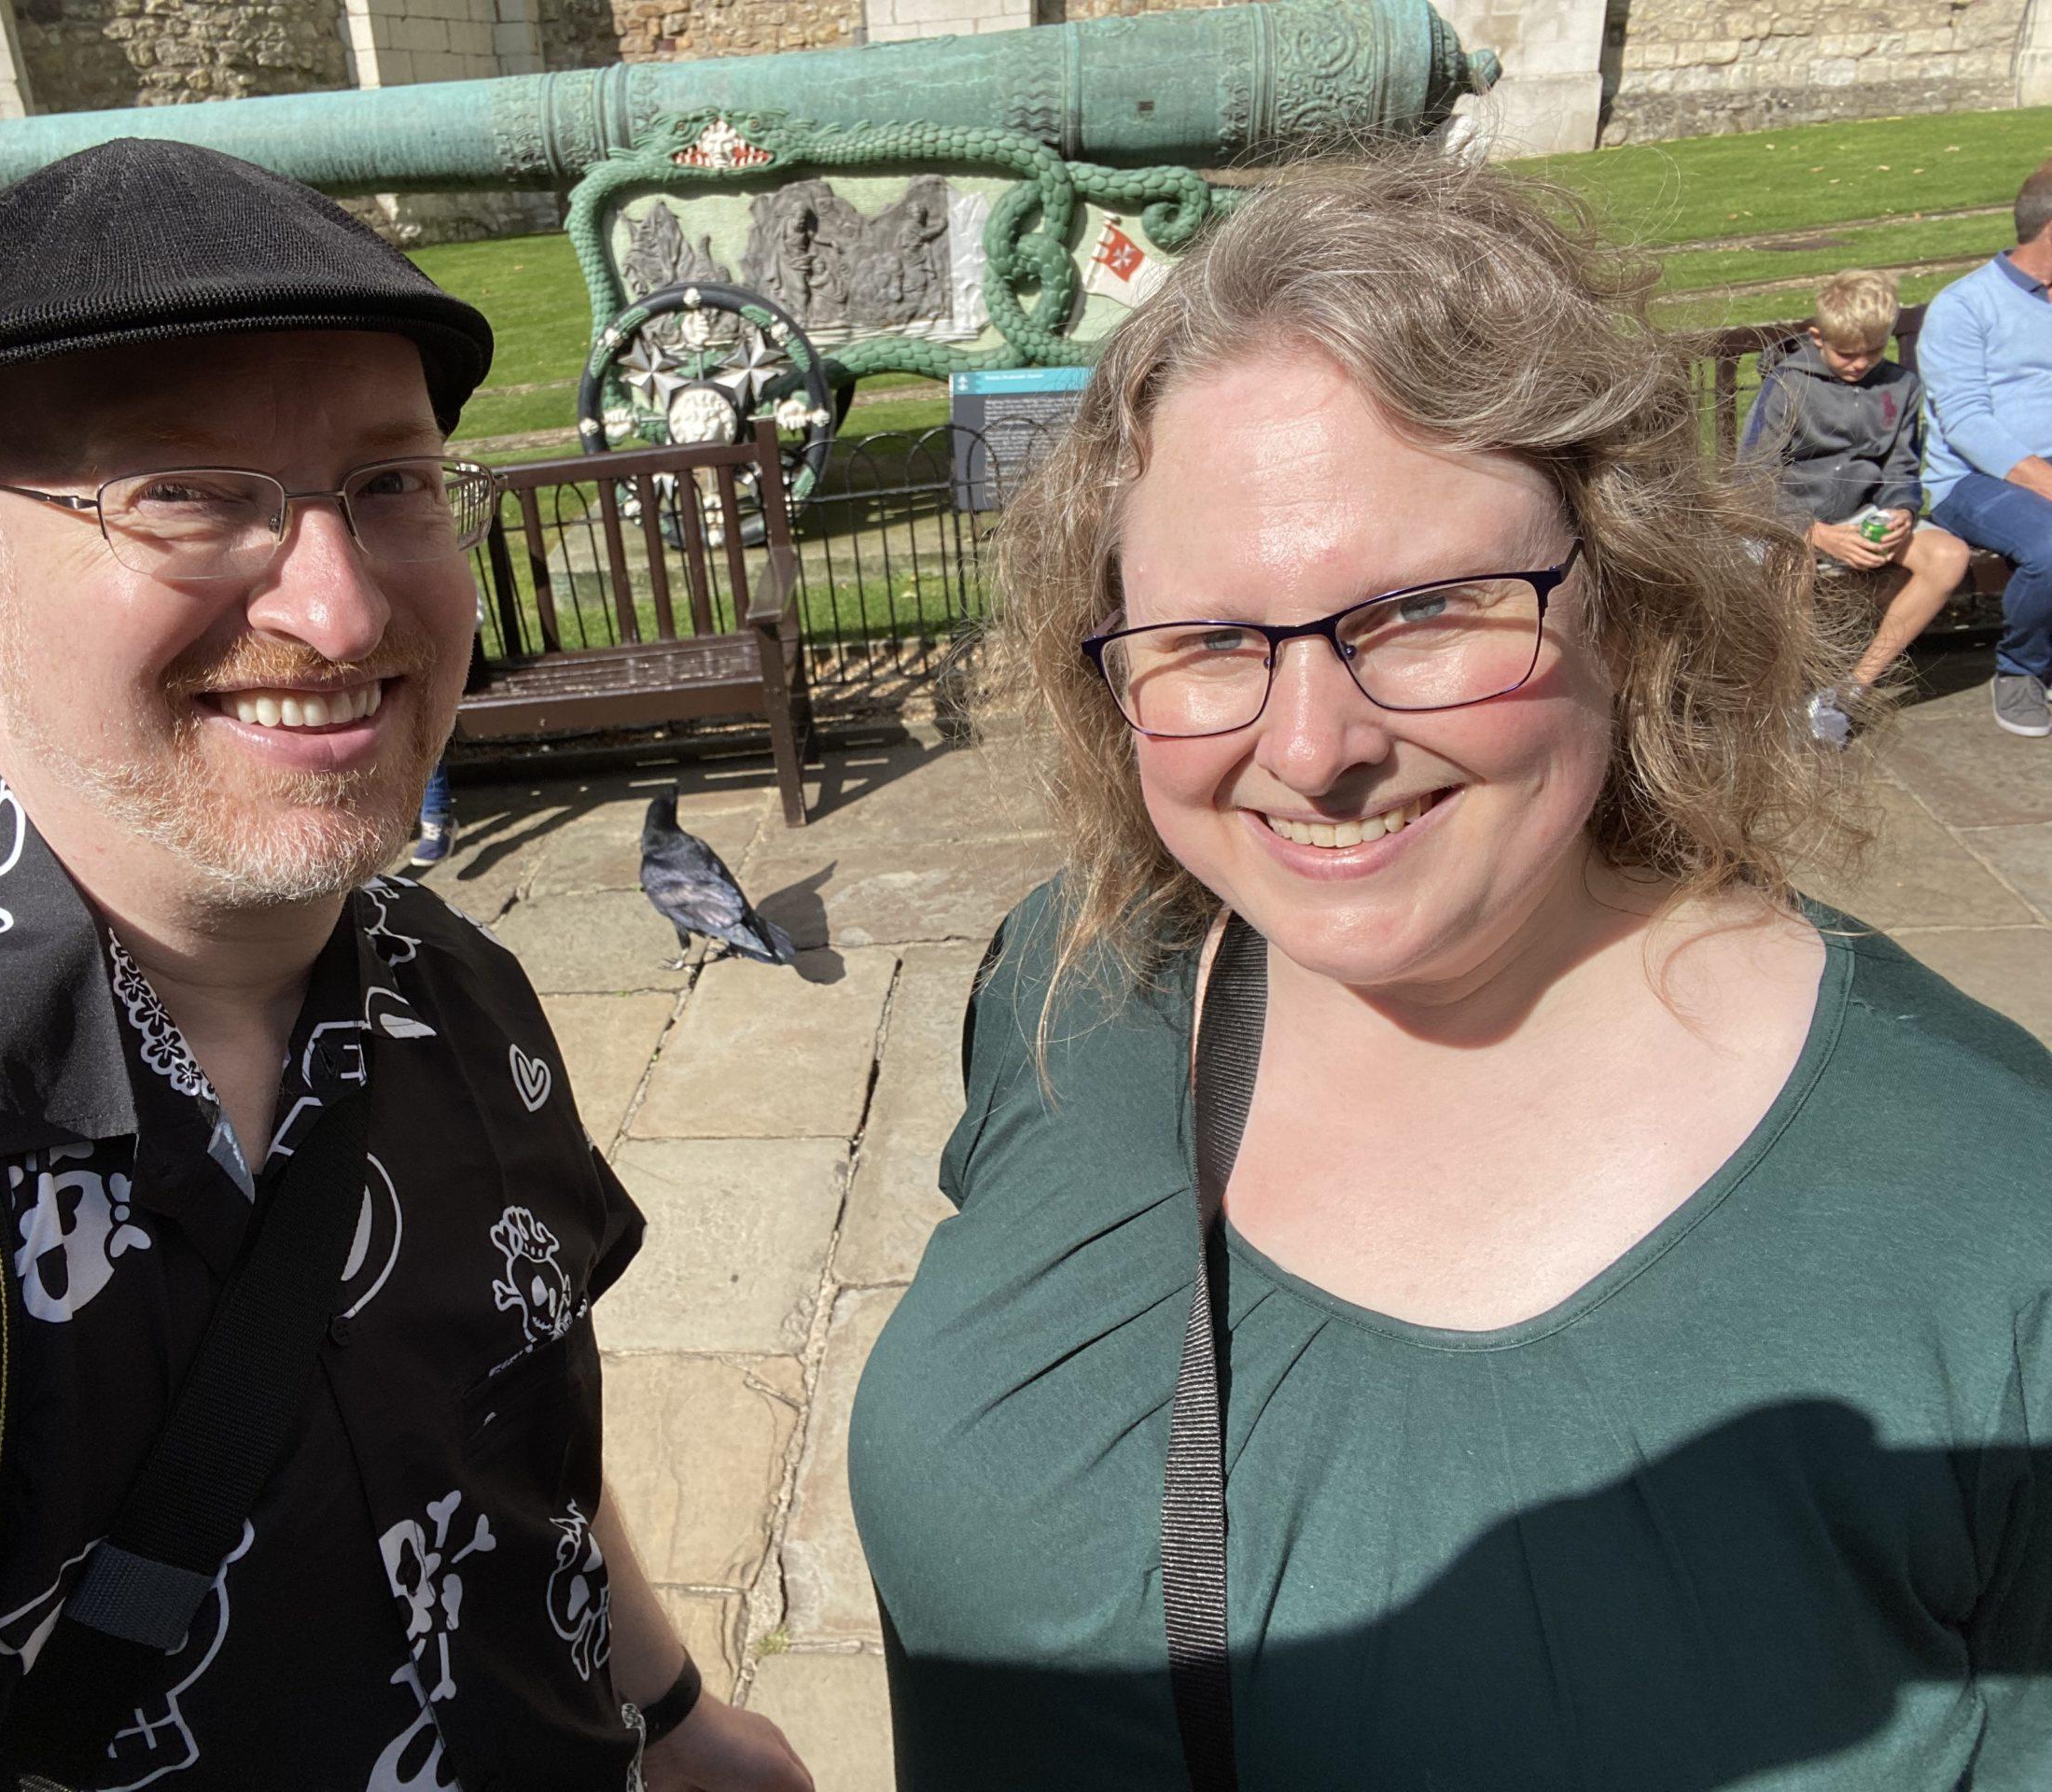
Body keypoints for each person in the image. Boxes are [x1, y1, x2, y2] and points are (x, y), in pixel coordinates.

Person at [847, 147, 2052, 1791]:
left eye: (1424, 611)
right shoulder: (1077, 984)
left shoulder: (1998, 1230)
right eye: (1206, 642)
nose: (1314, 746)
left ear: (1622, 607)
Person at [0, 139, 809, 1792]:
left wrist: (673, 1715)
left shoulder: (457, 988)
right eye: (189, 496)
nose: (340, 613)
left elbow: (513, 1409)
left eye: (393, 484)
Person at [1738, 268, 1972, 741]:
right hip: (1786, 519)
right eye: (1847, 353)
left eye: (1873, 351)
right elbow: (1751, 481)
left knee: (1949, 556)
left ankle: (1850, 690)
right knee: (1792, 563)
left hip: (1861, 513)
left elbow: (1901, 469)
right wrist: (1817, 534)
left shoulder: (1901, 387)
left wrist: (1901, 512)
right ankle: (1787, 692)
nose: (1860, 364)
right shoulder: (1787, 386)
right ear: (1817, 337)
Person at [1918, 155, 2052, 736]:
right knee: (2050, 548)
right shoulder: (1964, 306)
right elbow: (1968, 424)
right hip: (1973, 480)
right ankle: (2022, 669)